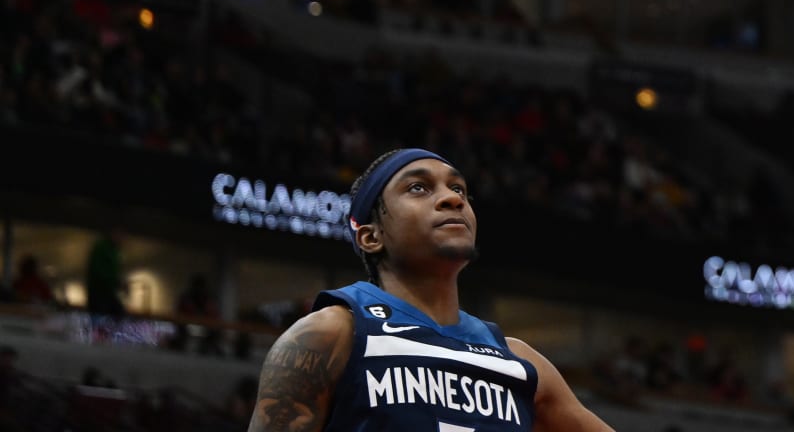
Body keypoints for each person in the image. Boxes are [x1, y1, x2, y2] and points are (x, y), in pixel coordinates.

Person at [243, 148, 613, 431]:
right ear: (372, 237)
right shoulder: (331, 333)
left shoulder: (519, 361)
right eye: (418, 188)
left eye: (459, 189)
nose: (454, 199)